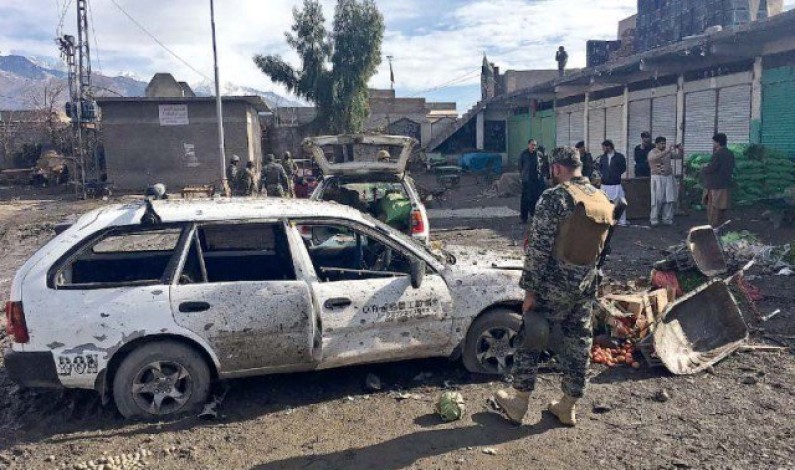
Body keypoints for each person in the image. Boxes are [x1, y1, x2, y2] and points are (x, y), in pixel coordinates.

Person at [494, 146, 615, 427]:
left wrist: (529, 291)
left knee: (530, 337)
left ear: (557, 169)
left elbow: (538, 249)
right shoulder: (600, 198)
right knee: (579, 344)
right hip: (584, 285)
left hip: (552, 285)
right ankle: (567, 406)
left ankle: (518, 402)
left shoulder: (554, 198)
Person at [702, 133, 735, 227]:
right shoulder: (730, 153)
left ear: (718, 142)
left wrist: (703, 168)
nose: (713, 144)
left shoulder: (718, 154)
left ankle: (713, 225)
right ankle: (722, 224)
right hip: (725, 183)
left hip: (715, 184)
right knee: (723, 206)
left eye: (713, 142)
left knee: (713, 206)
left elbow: (711, 168)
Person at [648, 136, 682, 226]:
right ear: (657, 144)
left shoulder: (667, 152)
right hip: (657, 177)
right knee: (657, 199)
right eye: (662, 143)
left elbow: (678, 157)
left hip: (668, 177)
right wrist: (668, 151)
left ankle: (667, 219)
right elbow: (654, 159)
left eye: (664, 143)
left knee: (669, 199)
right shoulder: (652, 152)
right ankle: (654, 219)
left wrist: (680, 149)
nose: (663, 145)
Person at [518, 139, 549, 223]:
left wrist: (544, 175)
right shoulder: (524, 154)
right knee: (525, 200)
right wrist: (523, 176)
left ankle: (534, 216)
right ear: (528, 145)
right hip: (527, 181)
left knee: (536, 199)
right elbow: (520, 166)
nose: (533, 147)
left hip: (536, 181)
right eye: (532, 145)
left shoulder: (539, 154)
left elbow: (544, 165)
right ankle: (523, 218)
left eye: (535, 145)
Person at [598, 140, 628, 226]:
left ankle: (622, 222)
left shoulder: (619, 157)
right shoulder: (602, 157)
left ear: (609, 147)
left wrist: (615, 174)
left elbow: (623, 168)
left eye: (604, 147)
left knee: (620, 203)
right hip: (605, 184)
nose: (603, 149)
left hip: (616, 184)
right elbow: (601, 168)